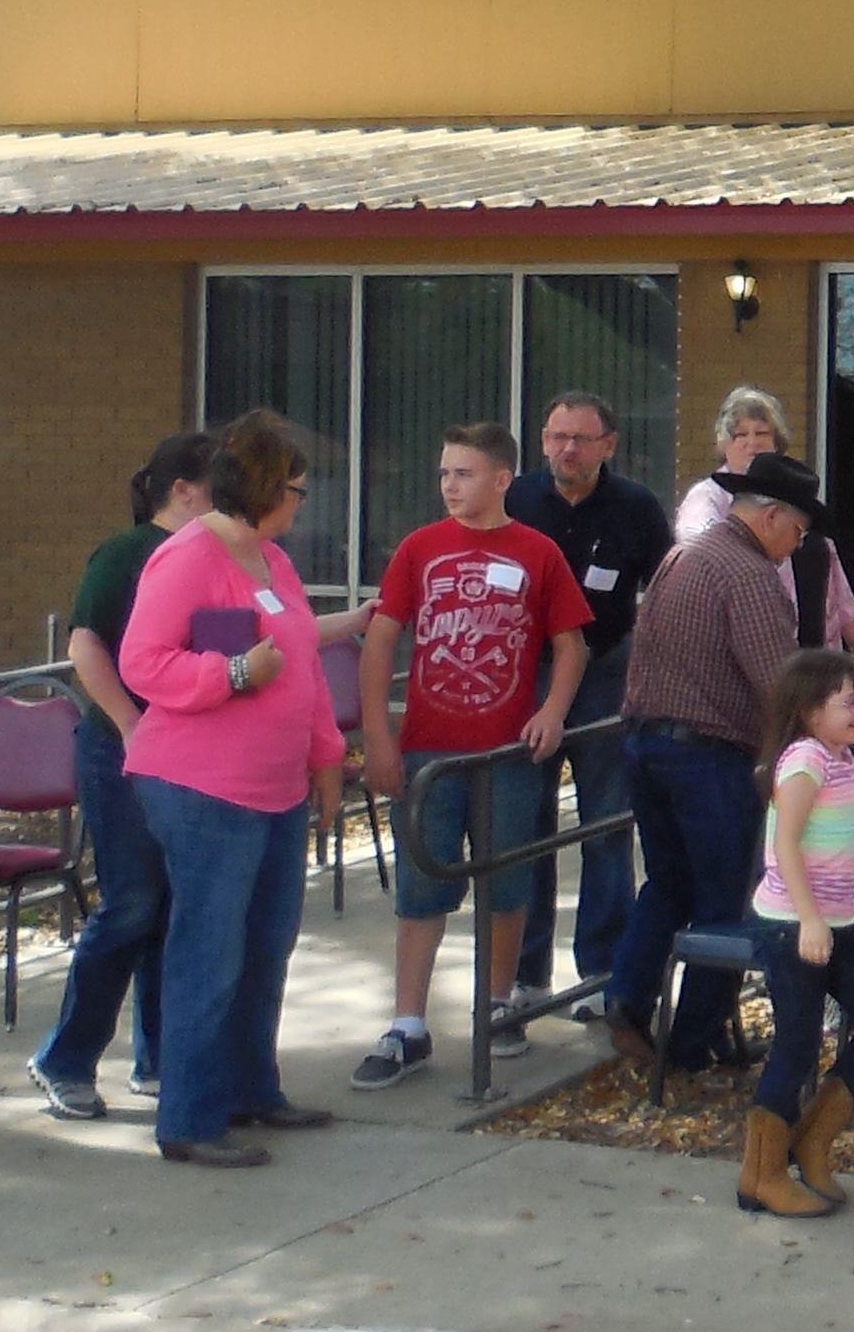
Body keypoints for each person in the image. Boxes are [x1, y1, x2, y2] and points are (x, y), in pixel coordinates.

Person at [118, 410, 348, 1167]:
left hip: (275, 787)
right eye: (297, 490)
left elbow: (304, 663)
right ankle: (189, 1116)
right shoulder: (188, 557)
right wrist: (236, 672)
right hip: (203, 787)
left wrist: (326, 756)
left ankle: (251, 1087)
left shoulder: (272, 560)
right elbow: (143, 662)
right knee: (209, 951)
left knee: (266, 944)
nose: (303, 503)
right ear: (265, 487)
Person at [354, 421, 588, 1088]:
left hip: (507, 754)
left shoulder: (538, 552)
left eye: (463, 473)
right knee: (421, 887)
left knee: (506, 883)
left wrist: (552, 711)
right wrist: (379, 737)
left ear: (501, 479)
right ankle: (407, 1024)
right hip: (429, 751)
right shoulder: (419, 548)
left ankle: (497, 1002)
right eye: (444, 473)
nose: (449, 486)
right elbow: (381, 640)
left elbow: (571, 645)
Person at [616, 447, 828, 1069]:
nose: (796, 546)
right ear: (772, 517)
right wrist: (823, 744)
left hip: (645, 743)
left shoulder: (683, 555)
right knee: (726, 900)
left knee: (667, 883)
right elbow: (779, 684)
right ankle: (693, 1040)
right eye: (797, 532)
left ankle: (627, 996)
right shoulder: (749, 575)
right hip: (708, 757)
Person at [30, 432, 210, 1122]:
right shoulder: (126, 553)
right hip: (122, 750)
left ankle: (159, 1057)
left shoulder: (216, 556)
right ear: (183, 491)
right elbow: (86, 644)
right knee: (133, 901)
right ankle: (66, 1059)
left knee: (171, 904)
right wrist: (132, 725)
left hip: (186, 754)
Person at [505, 390, 668, 1011]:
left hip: (605, 672)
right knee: (527, 827)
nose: (566, 449)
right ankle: (526, 978)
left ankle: (601, 975)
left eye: (580, 438)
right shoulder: (516, 500)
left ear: (609, 446)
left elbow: (665, 590)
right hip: (528, 676)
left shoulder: (636, 507)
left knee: (604, 826)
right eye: (556, 437)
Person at [741, 644, 854, 1220]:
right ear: (809, 712)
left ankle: (811, 1142)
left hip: (839, 919)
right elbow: (783, 841)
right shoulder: (805, 759)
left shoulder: (840, 757)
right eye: (846, 701)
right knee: (798, 1041)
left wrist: (849, 865)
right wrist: (808, 917)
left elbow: (820, 832)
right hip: (793, 924)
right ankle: (761, 1173)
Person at [675, 386, 854, 651]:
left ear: (777, 443)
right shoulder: (706, 496)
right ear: (725, 445)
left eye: (762, 433)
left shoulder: (793, 494)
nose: (752, 443)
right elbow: (704, 551)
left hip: (808, 644)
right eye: (740, 434)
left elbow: (832, 571)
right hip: (747, 637)